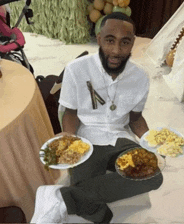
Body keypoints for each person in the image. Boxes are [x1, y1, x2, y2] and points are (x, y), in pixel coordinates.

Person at [32, 12, 163, 224]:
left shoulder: (140, 77)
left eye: (125, 42)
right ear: (100, 38)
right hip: (87, 139)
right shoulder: (77, 69)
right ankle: (100, 215)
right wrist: (68, 137)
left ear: (133, 44)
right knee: (87, 185)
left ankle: (59, 197)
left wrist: (151, 138)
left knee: (154, 175)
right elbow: (71, 112)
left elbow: (136, 119)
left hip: (120, 137)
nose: (116, 51)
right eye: (110, 40)